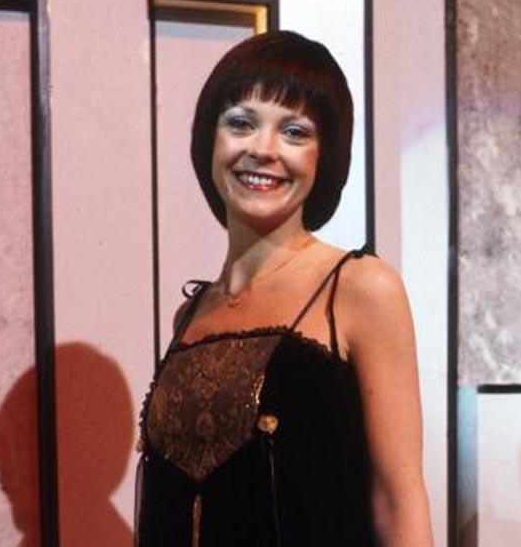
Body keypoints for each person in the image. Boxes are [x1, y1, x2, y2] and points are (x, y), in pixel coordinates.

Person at [136, 30, 433, 547]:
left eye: (295, 132)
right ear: (209, 139)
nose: (263, 150)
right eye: (241, 123)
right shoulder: (191, 314)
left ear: (325, 156)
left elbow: (398, 501)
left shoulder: (359, 288)